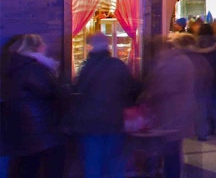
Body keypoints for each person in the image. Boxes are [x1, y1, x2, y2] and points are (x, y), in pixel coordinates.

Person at [1, 34, 66, 178]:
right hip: (43, 129)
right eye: (43, 44)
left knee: (27, 168)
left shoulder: (13, 66)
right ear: (36, 47)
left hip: (23, 129)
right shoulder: (34, 68)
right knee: (52, 168)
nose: (46, 47)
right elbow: (52, 94)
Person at [72, 32, 136, 178]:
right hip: (115, 120)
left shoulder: (86, 68)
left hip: (90, 122)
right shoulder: (118, 65)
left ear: (91, 47)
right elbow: (130, 89)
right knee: (115, 161)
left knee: (93, 162)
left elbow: (78, 92)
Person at [144, 38, 198, 178]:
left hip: (171, 114)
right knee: (172, 150)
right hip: (178, 113)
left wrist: (148, 94)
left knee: (170, 151)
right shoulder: (181, 60)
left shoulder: (173, 64)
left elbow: (165, 87)